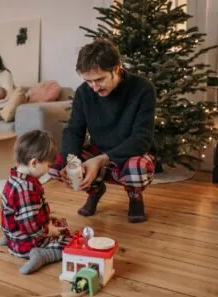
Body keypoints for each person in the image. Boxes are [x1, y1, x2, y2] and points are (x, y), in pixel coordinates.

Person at [49, 38, 156, 223]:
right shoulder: (84, 92)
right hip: (98, 149)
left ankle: (134, 196)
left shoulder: (143, 89)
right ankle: (95, 190)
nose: (94, 87)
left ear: (116, 68)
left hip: (130, 152)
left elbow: (142, 138)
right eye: (89, 81)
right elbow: (74, 130)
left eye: (99, 79)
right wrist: (71, 162)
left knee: (137, 169)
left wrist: (100, 160)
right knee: (56, 166)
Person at [0, 130, 72, 274]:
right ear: (34, 163)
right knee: (68, 240)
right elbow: (30, 227)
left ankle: (9, 238)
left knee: (57, 222)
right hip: (26, 243)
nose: (48, 169)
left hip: (16, 234)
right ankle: (42, 255)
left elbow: (15, 214)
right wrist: (48, 231)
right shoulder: (27, 189)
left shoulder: (14, 179)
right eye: (47, 165)